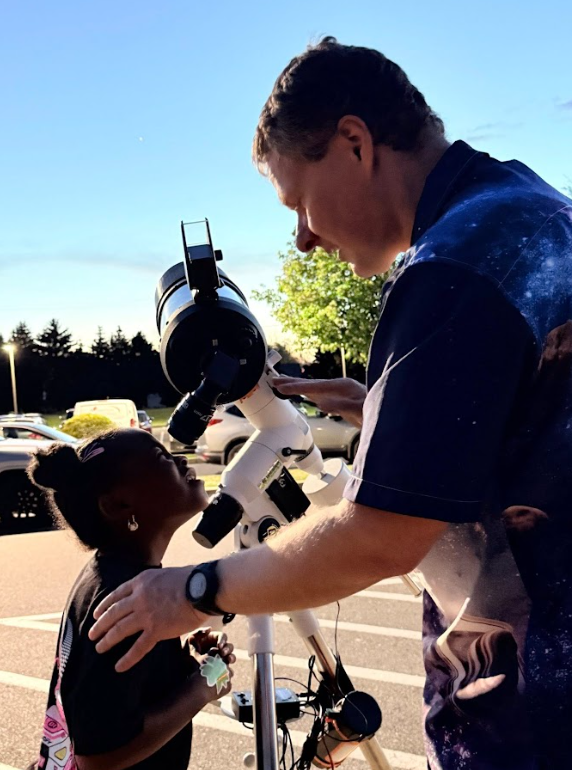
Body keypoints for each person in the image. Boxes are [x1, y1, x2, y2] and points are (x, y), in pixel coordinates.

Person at [88, 38, 572, 769]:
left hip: (535, 719)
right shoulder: (531, 215)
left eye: (298, 201)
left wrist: (190, 591)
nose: (304, 238)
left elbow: (379, 536)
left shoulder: (451, 271)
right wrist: (380, 405)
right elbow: (526, 421)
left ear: (354, 143)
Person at [27, 429, 235, 770]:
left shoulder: (117, 577)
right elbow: (97, 757)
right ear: (118, 505)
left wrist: (180, 665)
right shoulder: (123, 598)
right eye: (161, 458)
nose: (180, 459)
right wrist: (203, 687)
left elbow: (119, 693)